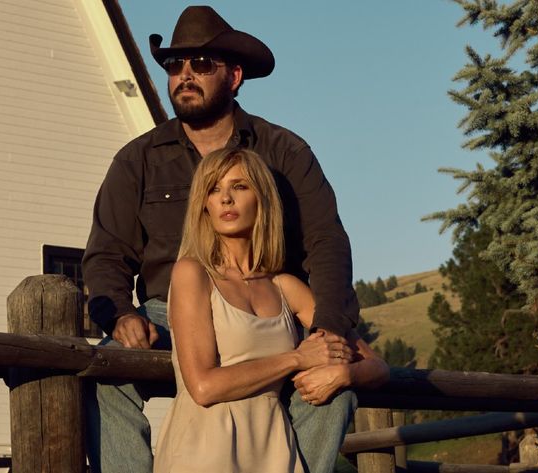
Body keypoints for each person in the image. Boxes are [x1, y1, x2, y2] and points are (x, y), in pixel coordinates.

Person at [83, 6, 363, 472]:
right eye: (175, 66)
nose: (184, 76)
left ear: (234, 76)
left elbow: (327, 242)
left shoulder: (284, 152)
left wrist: (327, 328)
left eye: (200, 65)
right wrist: (121, 313)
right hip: (169, 312)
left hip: (266, 309)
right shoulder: (137, 160)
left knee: (334, 389)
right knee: (106, 377)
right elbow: (106, 252)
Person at [153, 148, 388, 472]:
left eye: (239, 186)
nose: (225, 199)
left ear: (261, 197)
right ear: (204, 205)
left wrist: (344, 374)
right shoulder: (193, 273)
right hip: (204, 449)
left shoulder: (285, 286)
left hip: (275, 451)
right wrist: (297, 358)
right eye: (214, 189)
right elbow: (204, 387)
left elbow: (378, 366)